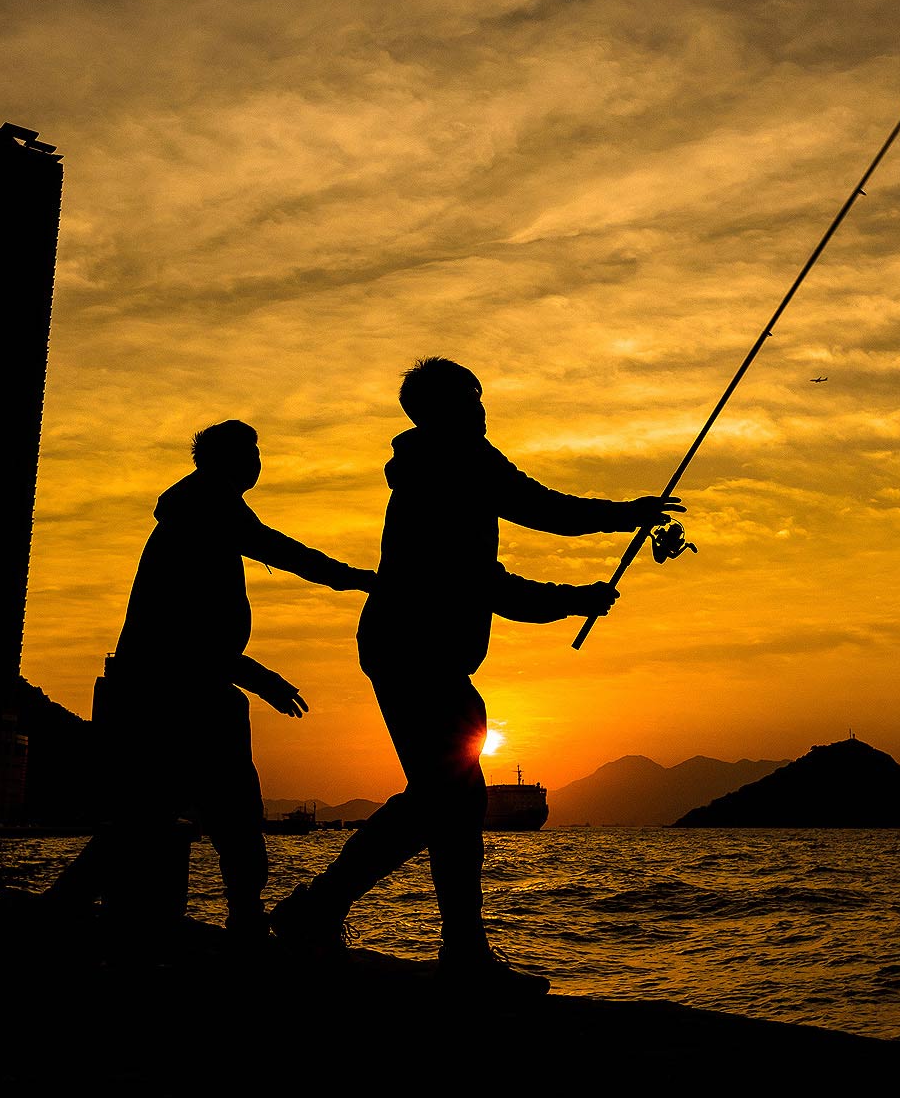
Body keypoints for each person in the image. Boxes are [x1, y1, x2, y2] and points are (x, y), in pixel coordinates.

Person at [271, 358, 679, 992]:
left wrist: (607, 543)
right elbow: (520, 535)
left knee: (443, 799)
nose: (482, 409)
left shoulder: (445, 462)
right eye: (471, 399)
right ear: (441, 410)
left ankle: (329, 912)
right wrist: (590, 570)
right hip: (416, 652)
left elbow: (521, 530)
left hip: (407, 649)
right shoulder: (453, 464)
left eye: (480, 398)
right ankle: (446, 948)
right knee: (452, 800)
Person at [46, 419, 374, 940]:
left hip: (177, 685)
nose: (257, 463)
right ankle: (244, 923)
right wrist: (358, 580)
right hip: (182, 692)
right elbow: (274, 560)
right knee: (227, 813)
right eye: (251, 453)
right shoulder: (208, 508)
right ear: (228, 462)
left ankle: (64, 914)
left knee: (150, 817)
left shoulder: (197, 508)